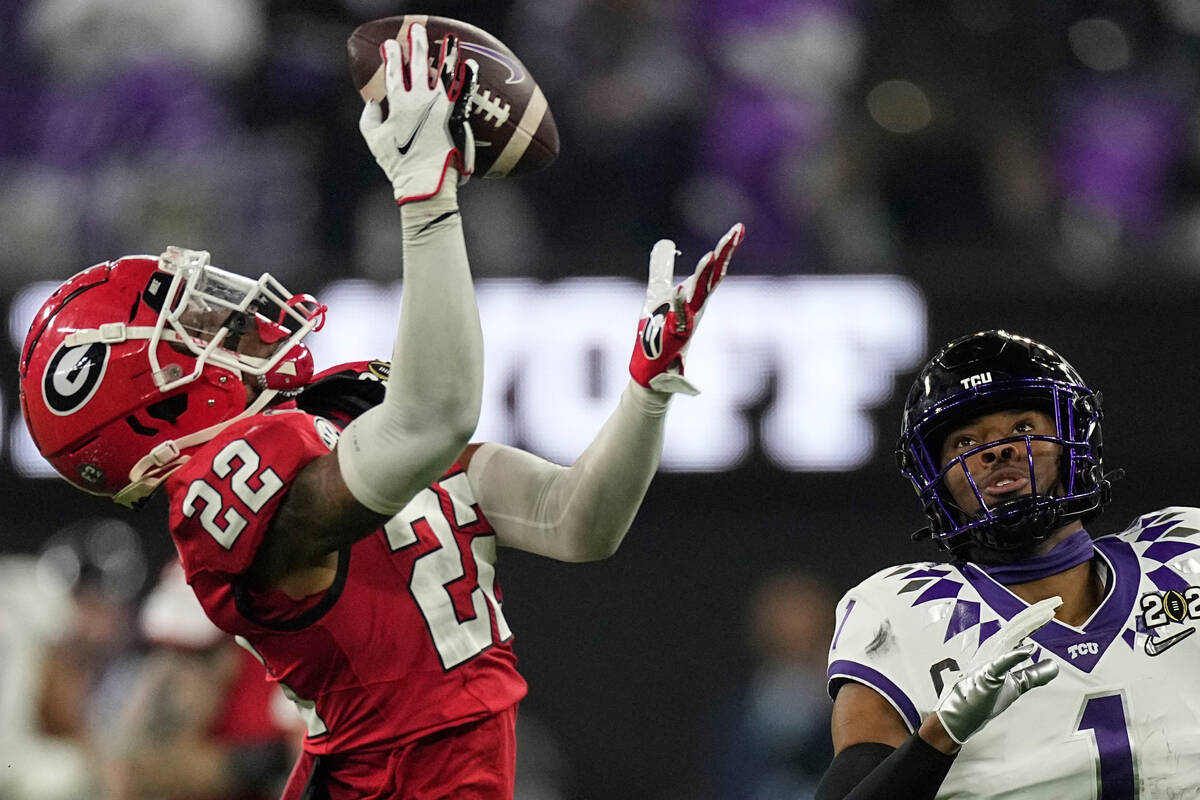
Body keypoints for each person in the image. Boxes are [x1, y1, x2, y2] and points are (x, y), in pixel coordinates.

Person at [18, 24, 745, 800]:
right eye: (188, 325)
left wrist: (646, 391)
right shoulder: (219, 494)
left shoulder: (337, 408)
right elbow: (436, 419)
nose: (221, 315)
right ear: (150, 408)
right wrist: (426, 195)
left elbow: (575, 520)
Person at [816, 329, 1200, 799]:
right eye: (964, 442)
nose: (998, 450)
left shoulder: (1184, 552)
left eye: (1022, 428)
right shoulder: (904, 610)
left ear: (1071, 442)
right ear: (936, 478)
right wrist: (941, 736)